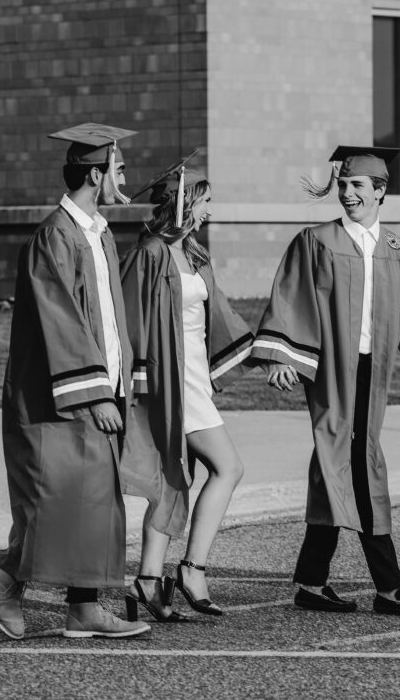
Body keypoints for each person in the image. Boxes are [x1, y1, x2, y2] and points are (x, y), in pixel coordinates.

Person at [252, 146, 400, 615]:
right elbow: (290, 300)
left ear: (380, 191)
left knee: (339, 462)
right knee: (356, 461)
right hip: (333, 369)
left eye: (357, 186)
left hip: (373, 372)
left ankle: (312, 582)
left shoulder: (399, 249)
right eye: (343, 185)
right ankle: (389, 585)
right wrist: (281, 358)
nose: (347, 193)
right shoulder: (317, 241)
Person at [0, 122, 150, 639]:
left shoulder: (97, 234)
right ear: (96, 175)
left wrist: (124, 380)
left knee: (96, 502)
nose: (125, 177)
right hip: (58, 397)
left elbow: (109, 317)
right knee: (54, 502)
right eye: (119, 169)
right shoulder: (56, 235)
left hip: (98, 388)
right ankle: (6, 572)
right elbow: (62, 319)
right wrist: (96, 392)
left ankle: (85, 608)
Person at [118, 156, 257, 622]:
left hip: (195, 378)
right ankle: (193, 569)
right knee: (229, 467)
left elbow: (217, 314)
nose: (211, 211)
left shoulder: (194, 254)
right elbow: (131, 324)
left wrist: (265, 355)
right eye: (206, 202)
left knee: (175, 479)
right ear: (183, 204)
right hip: (171, 383)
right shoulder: (150, 254)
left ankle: (148, 579)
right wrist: (143, 390)